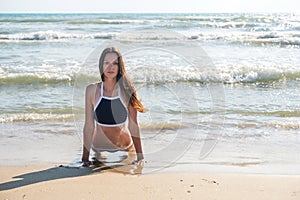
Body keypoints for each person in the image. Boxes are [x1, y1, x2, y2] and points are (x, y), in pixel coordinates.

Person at [81, 47, 146, 167]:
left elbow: (133, 126)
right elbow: (89, 126)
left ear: (120, 66)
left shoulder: (127, 91)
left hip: (125, 147)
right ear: (101, 65)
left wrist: (140, 157)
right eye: (107, 63)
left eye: (115, 63)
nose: (111, 67)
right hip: (98, 147)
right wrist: (85, 158)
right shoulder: (92, 90)